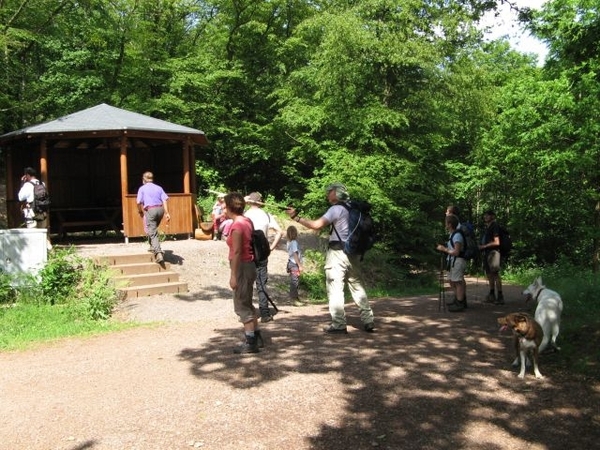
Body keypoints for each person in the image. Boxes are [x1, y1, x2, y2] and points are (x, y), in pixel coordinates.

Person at [285, 183, 375, 334]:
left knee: (335, 288)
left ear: (337, 194)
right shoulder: (353, 208)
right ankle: (368, 320)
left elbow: (316, 225)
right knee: (357, 286)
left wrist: (296, 217)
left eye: (330, 191)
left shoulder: (336, 209)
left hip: (337, 253)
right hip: (353, 253)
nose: (327, 194)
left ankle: (339, 324)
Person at [224, 192, 263, 354]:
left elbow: (238, 252)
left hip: (242, 266)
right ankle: (257, 336)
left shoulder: (237, 226)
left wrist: (233, 276)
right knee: (247, 302)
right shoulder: (247, 221)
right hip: (251, 265)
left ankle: (250, 342)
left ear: (229, 207)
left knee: (241, 304)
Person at [244, 192, 283, 323]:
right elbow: (279, 231)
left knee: (247, 283)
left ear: (250, 202)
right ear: (260, 201)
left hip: (248, 252)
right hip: (262, 253)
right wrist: (271, 248)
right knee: (261, 283)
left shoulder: (245, 215)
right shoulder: (266, 215)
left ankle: (248, 313)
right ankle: (265, 313)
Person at [136, 171, 170, 263]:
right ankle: (152, 247)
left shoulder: (142, 188)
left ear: (144, 179)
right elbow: (165, 200)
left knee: (152, 231)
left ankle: (158, 253)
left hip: (150, 210)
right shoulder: (159, 188)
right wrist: (167, 213)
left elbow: (138, 202)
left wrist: (140, 211)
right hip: (160, 210)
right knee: (153, 229)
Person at [436, 214, 467, 312]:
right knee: (452, 281)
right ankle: (458, 300)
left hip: (458, 261)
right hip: (452, 261)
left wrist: (444, 249)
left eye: (446, 223)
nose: (445, 224)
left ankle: (460, 303)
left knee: (458, 282)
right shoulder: (452, 234)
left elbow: (456, 252)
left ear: (450, 224)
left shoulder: (457, 235)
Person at [17, 167, 52, 250]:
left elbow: (20, 197)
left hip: (31, 213)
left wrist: (22, 183)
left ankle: (35, 253)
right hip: (42, 212)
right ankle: (47, 251)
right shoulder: (42, 184)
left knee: (32, 234)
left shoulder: (27, 185)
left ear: (27, 175)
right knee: (43, 233)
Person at [479, 210, 504, 305]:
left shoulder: (495, 226)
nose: (485, 217)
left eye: (487, 215)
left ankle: (500, 296)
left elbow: (497, 242)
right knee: (489, 274)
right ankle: (492, 294)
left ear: (492, 216)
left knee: (495, 274)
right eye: (485, 215)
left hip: (493, 253)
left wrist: (484, 246)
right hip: (487, 253)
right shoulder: (487, 227)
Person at [286, 225, 306, 307]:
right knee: (294, 282)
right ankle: (293, 299)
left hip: (291, 263)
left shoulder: (289, 242)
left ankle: (296, 297)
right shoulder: (294, 242)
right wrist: (300, 265)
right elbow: (295, 254)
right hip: (294, 264)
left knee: (295, 280)